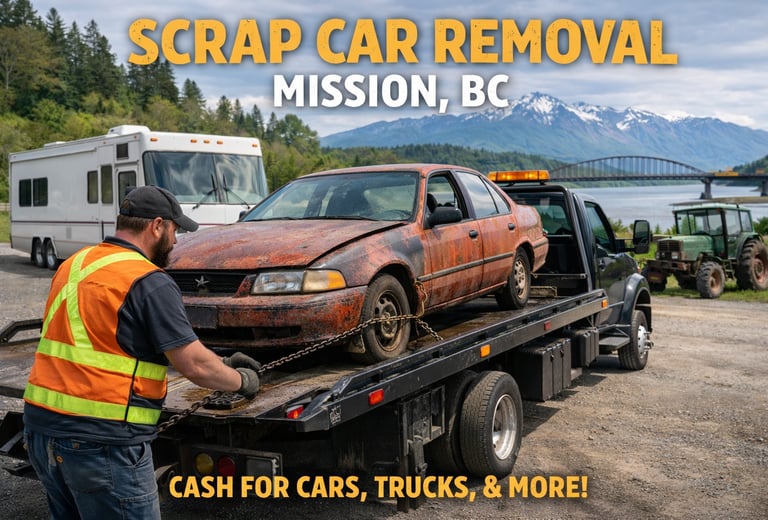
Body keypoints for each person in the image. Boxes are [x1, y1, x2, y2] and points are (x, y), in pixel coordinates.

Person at [22, 185, 262, 519]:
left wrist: (218, 362)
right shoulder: (148, 280)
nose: (176, 241)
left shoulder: (75, 264)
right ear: (157, 226)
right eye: (175, 230)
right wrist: (240, 380)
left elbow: (105, 338)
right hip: (102, 442)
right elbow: (192, 364)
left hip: (40, 431)